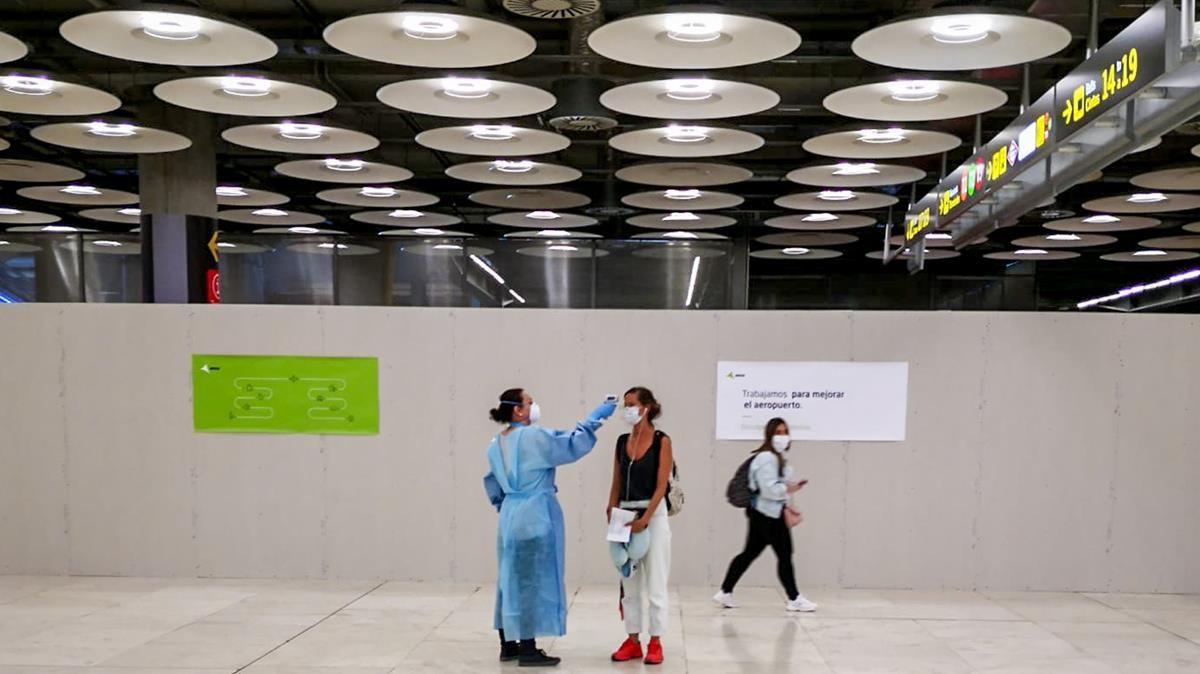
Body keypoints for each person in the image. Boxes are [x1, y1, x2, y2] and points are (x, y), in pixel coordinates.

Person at [484, 388, 616, 667]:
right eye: (529, 402)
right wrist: (594, 420)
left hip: (509, 516)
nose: (534, 406)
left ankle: (508, 644)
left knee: (510, 579)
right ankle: (529, 649)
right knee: (532, 581)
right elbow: (569, 445)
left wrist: (508, 508)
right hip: (535, 514)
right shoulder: (533, 436)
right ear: (518, 410)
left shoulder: (495, 444)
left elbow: (492, 483)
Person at [713, 417, 818, 613]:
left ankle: (725, 591)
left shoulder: (775, 458)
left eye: (785, 432)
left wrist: (788, 490)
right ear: (769, 435)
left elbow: (775, 485)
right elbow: (769, 489)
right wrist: (787, 489)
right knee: (784, 554)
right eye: (778, 432)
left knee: (750, 553)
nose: (782, 436)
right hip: (767, 514)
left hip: (764, 513)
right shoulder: (766, 458)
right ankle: (794, 598)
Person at [608, 387, 673, 666]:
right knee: (629, 581)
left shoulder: (661, 441)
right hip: (624, 514)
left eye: (632, 404)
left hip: (653, 516)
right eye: (625, 405)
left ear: (646, 407)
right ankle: (632, 639)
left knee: (656, 581)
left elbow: (662, 484)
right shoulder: (622, 441)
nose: (627, 410)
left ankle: (655, 641)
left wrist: (646, 517)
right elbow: (617, 480)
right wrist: (611, 507)